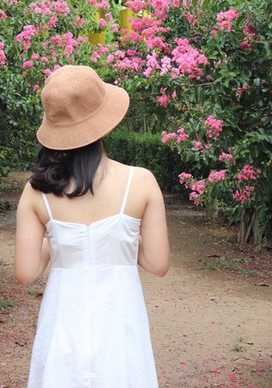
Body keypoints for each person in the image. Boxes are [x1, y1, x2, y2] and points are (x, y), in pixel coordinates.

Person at [14, 65, 170, 387]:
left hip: (63, 317)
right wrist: (119, 239)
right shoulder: (140, 182)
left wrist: (60, 238)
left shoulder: (37, 193)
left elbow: (26, 272)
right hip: (120, 318)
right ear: (104, 122)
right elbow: (157, 263)